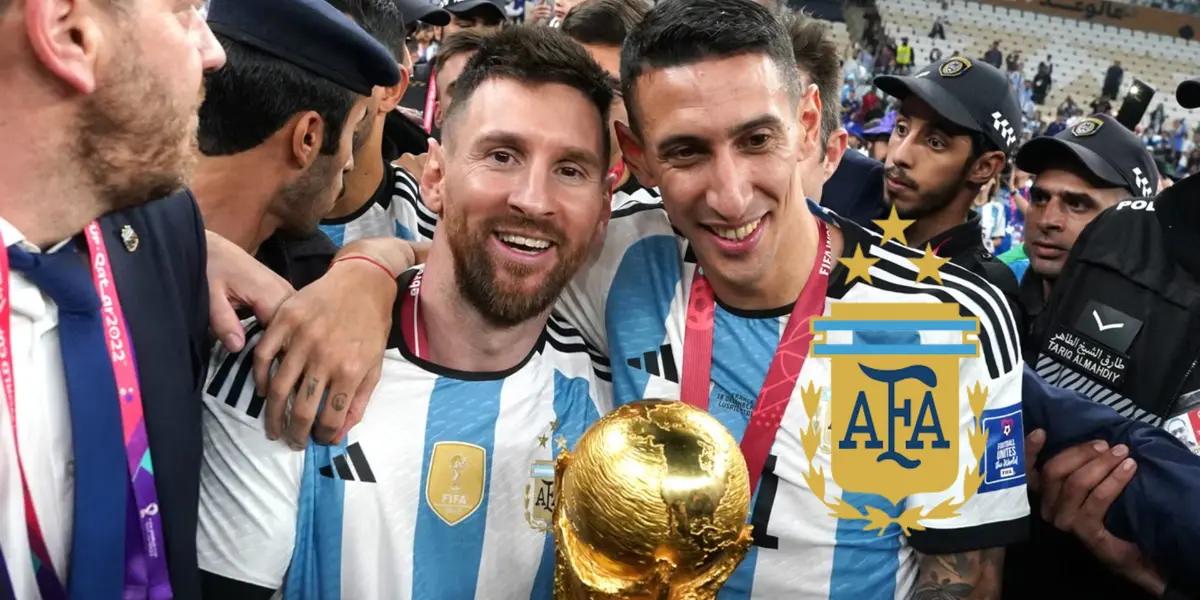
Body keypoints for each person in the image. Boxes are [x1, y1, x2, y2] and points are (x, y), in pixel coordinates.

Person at [196, 24, 614, 598]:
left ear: (603, 208)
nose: (533, 200)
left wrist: (370, 263)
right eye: (501, 156)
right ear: (435, 177)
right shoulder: (284, 366)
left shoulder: (608, 398)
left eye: (570, 170)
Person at [0, 0, 226, 596]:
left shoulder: (166, 233)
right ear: (69, 32)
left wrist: (372, 266)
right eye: (184, 11)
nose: (213, 52)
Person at [188, 0, 397, 291]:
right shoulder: (316, 289)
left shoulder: (316, 272)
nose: (349, 162)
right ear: (308, 138)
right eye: (352, 130)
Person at [873, 56, 1023, 312]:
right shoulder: (851, 209)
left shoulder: (983, 293)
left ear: (984, 167)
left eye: (935, 142)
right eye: (902, 128)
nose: (899, 155)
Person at [1012, 114, 1157, 355]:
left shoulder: (1159, 340)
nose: (1047, 220)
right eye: (1040, 198)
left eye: (1077, 204)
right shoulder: (991, 285)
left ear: (1133, 218)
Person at [318, 0, 434, 248]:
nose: (313, 85)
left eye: (339, 68)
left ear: (391, 89)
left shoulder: (437, 221)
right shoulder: (252, 214)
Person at [561, 0, 655, 197]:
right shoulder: (508, 187)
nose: (587, 102)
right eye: (572, 81)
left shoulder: (663, 208)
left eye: (611, 90)